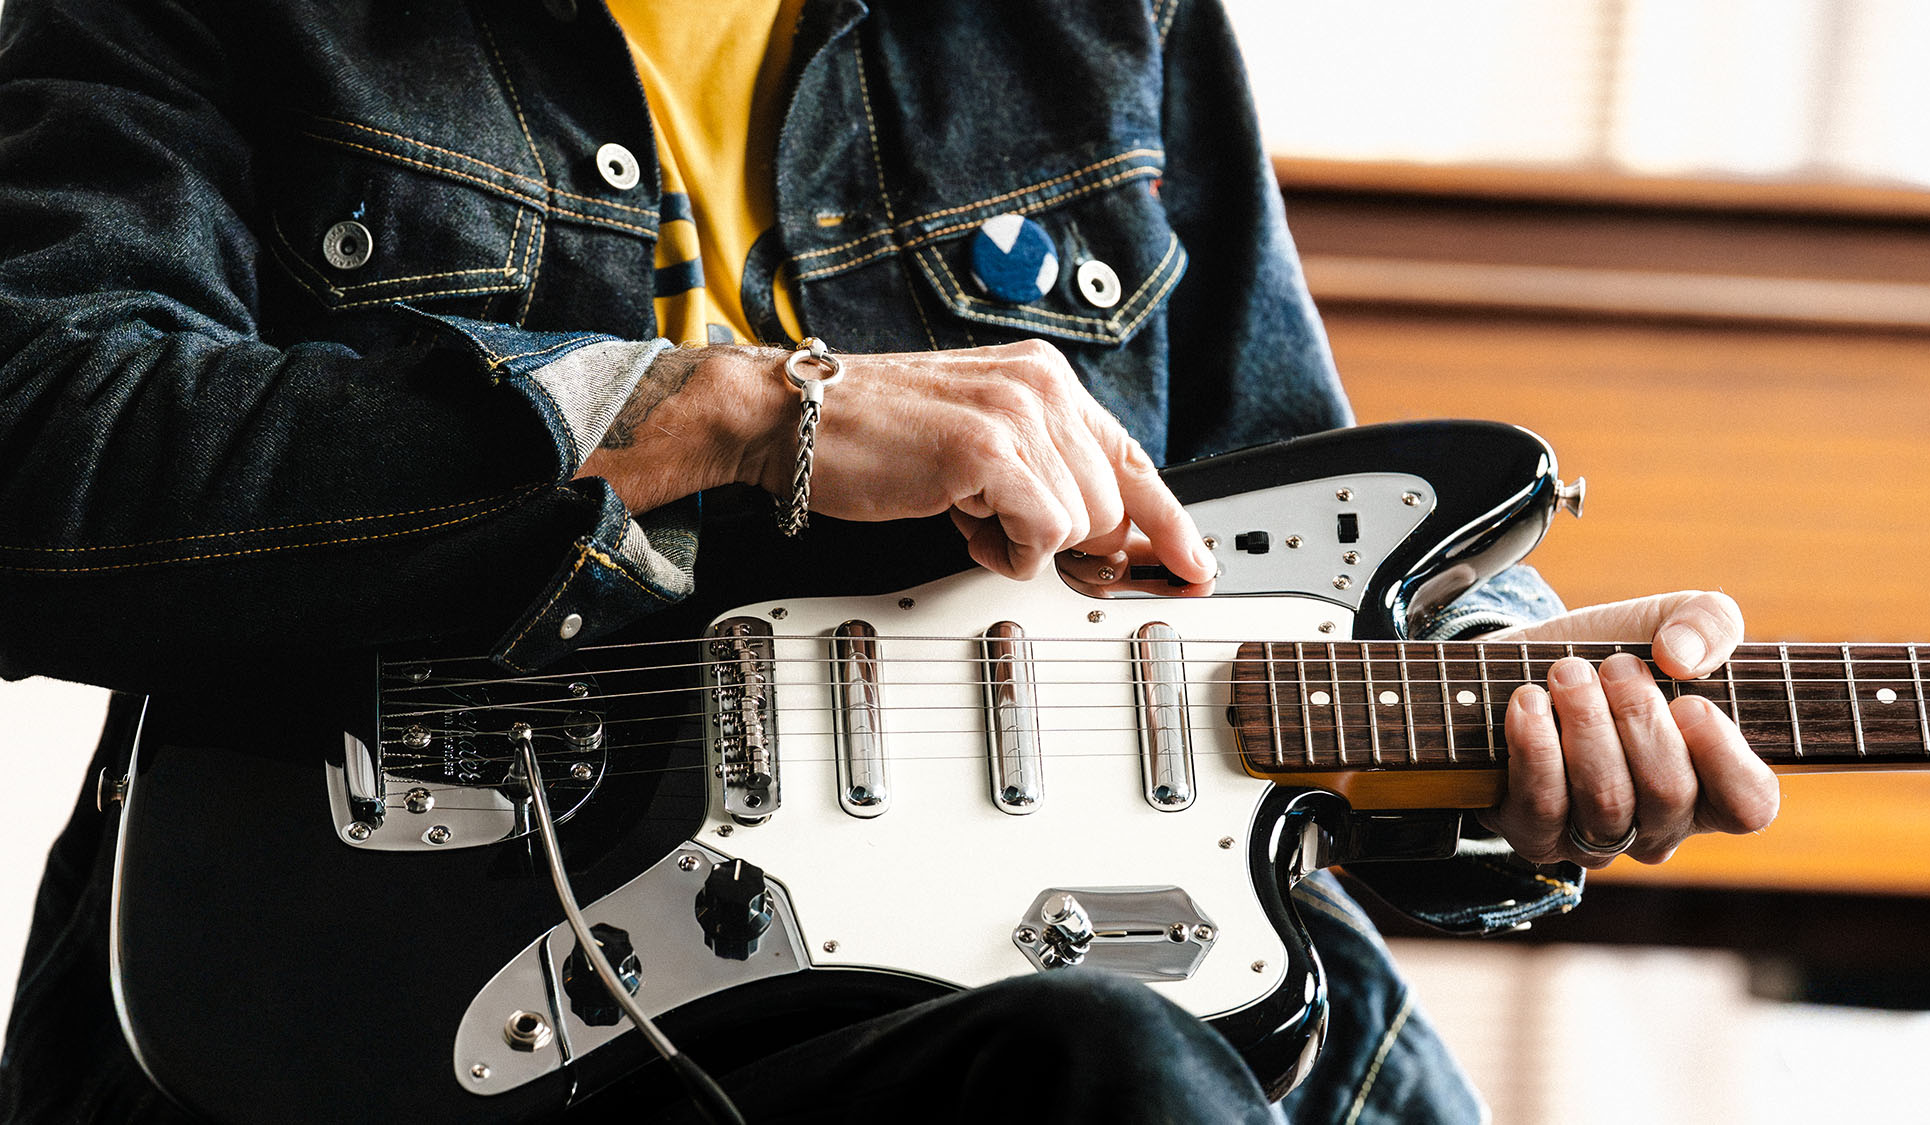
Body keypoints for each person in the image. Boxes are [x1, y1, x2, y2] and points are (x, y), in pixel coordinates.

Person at [0, 0, 1779, 1121]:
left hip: (994, 1001)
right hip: (376, 1015)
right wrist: (712, 411)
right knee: (1120, 1073)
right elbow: (41, 445)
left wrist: (1493, 698)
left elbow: (1266, 539)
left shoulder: (1095, 24)